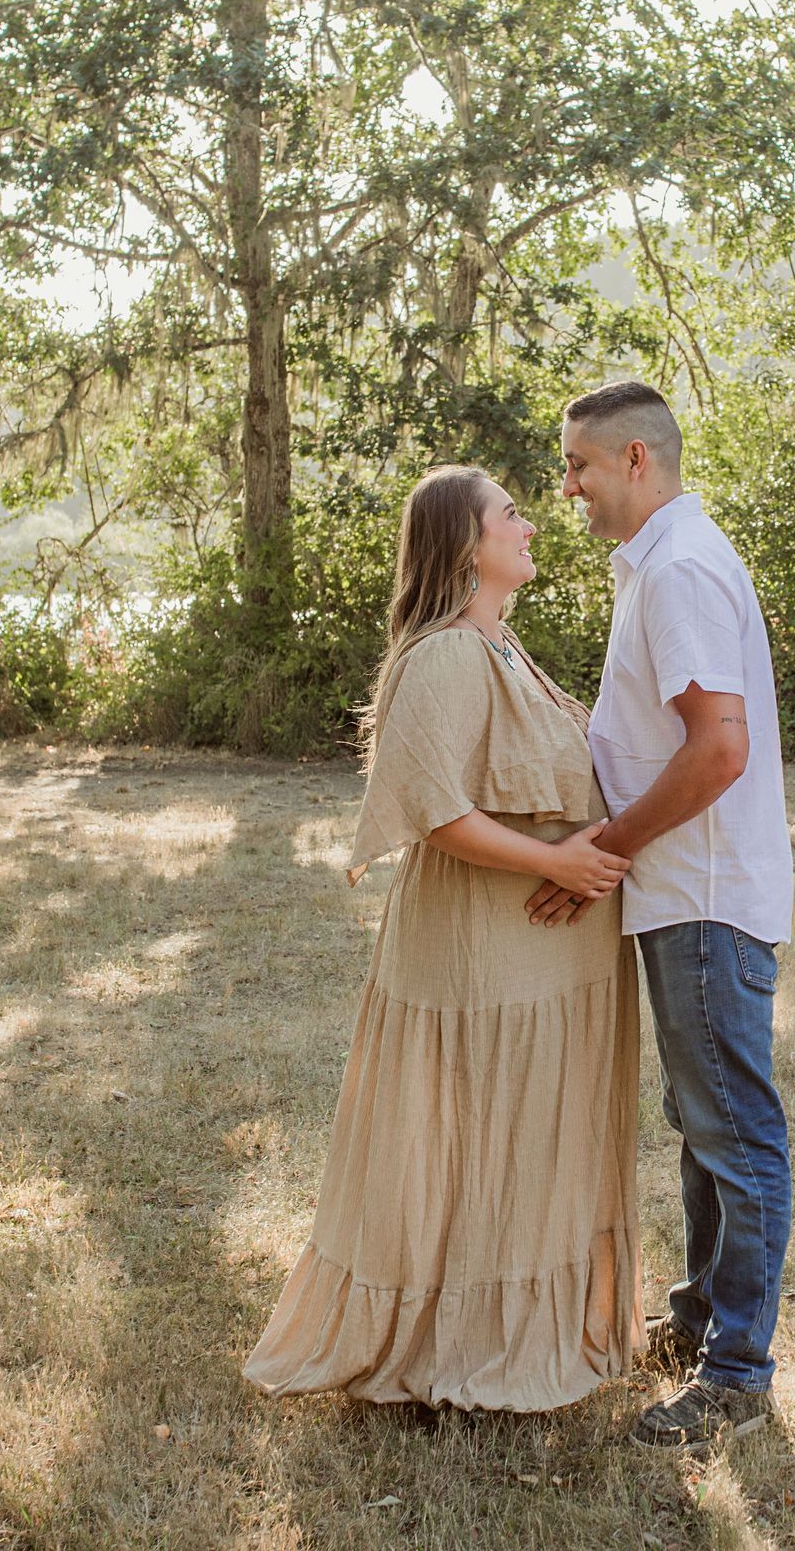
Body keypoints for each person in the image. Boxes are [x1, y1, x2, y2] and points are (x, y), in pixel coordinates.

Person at [243, 464, 644, 1412]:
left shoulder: (504, 648)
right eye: (511, 514)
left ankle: (532, 1327)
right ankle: (462, 1339)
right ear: (467, 542)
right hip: (484, 946)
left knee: (529, 1133)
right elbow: (437, 810)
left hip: (545, 952)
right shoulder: (448, 656)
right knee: (481, 1131)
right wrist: (555, 864)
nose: (530, 525)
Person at [527, 379, 795, 1451]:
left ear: (636, 459)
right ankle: (695, 1320)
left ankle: (737, 1373)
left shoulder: (679, 567)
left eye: (579, 465)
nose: (569, 487)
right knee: (702, 1123)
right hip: (683, 894)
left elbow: (719, 748)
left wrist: (611, 844)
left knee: (735, 1130)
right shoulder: (659, 562)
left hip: (704, 895)